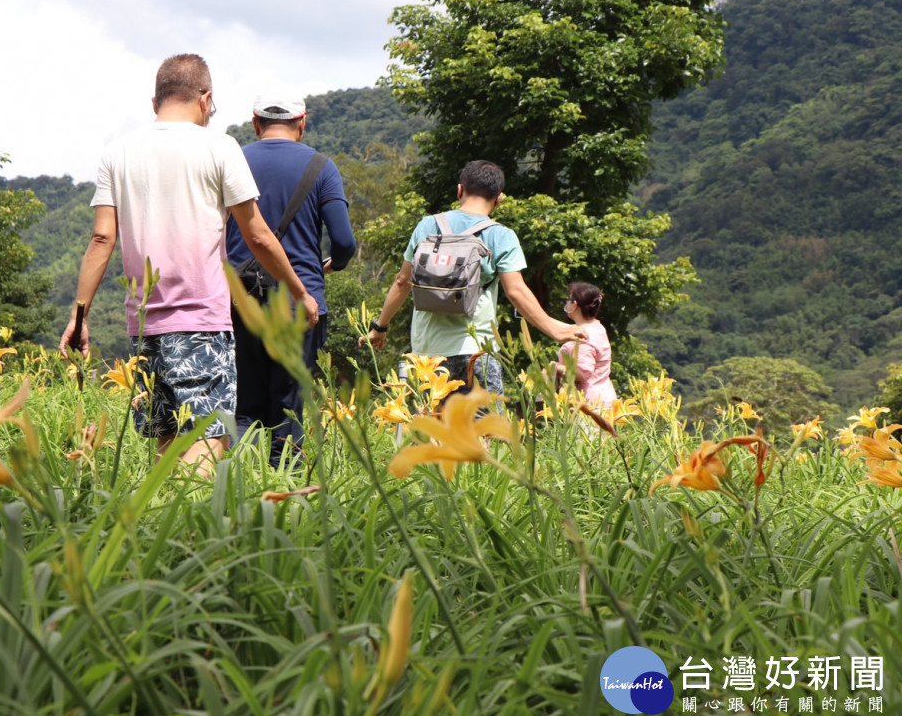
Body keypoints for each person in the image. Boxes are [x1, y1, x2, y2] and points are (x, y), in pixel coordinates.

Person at [59, 54, 319, 475]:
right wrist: (299, 291)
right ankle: (195, 536)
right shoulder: (219, 146)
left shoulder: (117, 153)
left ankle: (157, 533)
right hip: (201, 322)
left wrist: (79, 315)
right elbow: (256, 235)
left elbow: (102, 238)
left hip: (144, 327)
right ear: (206, 99)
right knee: (208, 442)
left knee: (168, 441)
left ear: (155, 101)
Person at [363, 159, 581, 393]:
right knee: (486, 428)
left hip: (427, 355)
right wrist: (555, 329)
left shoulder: (426, 226)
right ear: (499, 199)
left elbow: (402, 281)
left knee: (432, 428)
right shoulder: (501, 235)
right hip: (476, 351)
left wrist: (380, 327)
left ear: (460, 190)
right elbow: (516, 291)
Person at [226, 96, 357, 466]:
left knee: (244, 403)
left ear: (255, 123)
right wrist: (332, 266)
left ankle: (238, 491)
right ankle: (284, 499)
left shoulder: (234, 163)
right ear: (302, 123)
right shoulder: (322, 167)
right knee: (290, 406)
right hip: (302, 303)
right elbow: (344, 242)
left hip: (239, 299)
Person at [555, 281, 617, 409]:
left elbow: (583, 372)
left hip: (589, 405)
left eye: (568, 299)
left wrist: (555, 367)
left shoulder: (583, 336)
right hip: (605, 397)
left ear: (574, 305)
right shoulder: (598, 327)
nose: (566, 303)